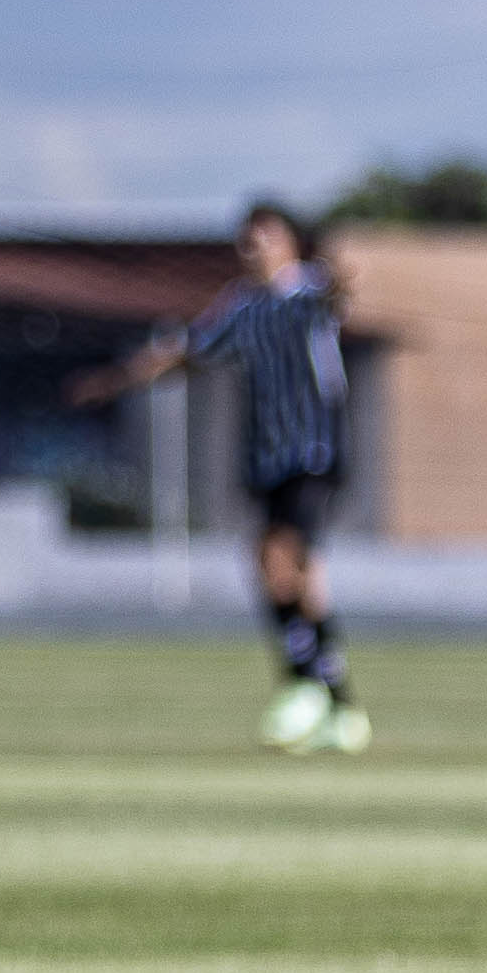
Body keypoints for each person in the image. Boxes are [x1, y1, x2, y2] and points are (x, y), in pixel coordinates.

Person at [71, 200, 361, 752]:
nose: (254, 249)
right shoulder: (241, 307)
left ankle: (304, 688)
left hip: (315, 452)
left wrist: (343, 273)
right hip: (268, 455)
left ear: (290, 244)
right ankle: (337, 702)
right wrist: (114, 382)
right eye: (246, 240)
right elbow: (187, 352)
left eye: (265, 238)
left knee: (282, 558)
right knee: (295, 574)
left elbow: (338, 294)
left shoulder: (305, 292)